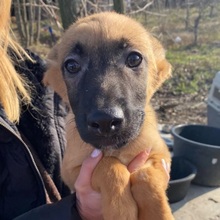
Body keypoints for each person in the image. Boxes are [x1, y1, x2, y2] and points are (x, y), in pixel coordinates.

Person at [0, 1, 170, 219]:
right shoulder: (48, 75)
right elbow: (71, 170)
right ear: (58, 79)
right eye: (73, 67)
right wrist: (81, 208)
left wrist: (149, 186)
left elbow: (159, 158)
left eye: (133, 59)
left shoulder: (28, 70)